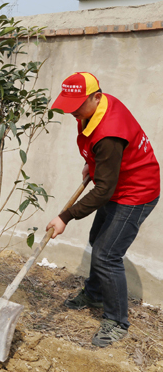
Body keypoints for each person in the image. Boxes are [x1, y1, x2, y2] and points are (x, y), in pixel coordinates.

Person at [47, 72, 160, 347]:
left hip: (135, 193)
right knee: (97, 242)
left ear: (96, 96)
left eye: (77, 105)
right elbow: (103, 155)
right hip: (117, 184)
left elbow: (103, 191)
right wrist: (93, 163)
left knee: (107, 255)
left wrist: (66, 216)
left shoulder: (109, 132)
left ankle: (117, 321)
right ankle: (95, 293)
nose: (72, 111)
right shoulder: (99, 107)